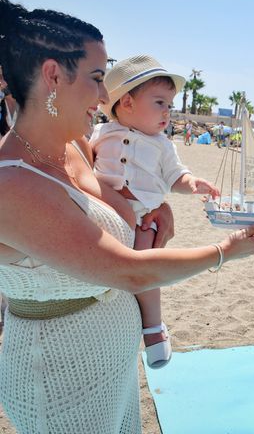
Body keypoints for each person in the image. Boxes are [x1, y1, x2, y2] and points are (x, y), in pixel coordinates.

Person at [0, 0, 254, 433]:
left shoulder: (73, 148)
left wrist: (157, 204)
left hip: (111, 361)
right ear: (52, 75)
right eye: (98, 78)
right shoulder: (11, 184)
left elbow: (117, 195)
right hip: (62, 378)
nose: (106, 96)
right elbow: (126, 271)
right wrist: (225, 251)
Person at [90, 55, 221, 369]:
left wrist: (192, 183)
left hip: (145, 216)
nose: (167, 112)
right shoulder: (100, 133)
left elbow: (176, 175)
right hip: (105, 210)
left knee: (146, 269)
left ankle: (153, 329)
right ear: (127, 102)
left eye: (170, 105)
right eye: (160, 102)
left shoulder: (163, 145)